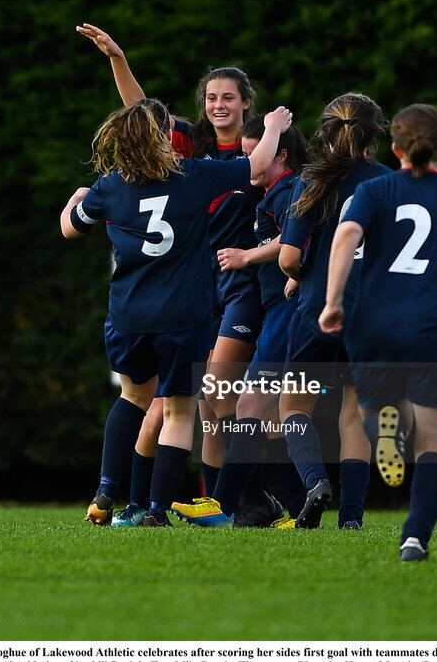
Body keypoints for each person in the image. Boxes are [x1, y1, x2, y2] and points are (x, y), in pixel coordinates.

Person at [61, 100, 292, 527]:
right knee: (180, 413)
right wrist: (275, 126)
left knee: (132, 397)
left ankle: (106, 490)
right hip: (183, 316)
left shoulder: (110, 185)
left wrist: (76, 198)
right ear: (165, 136)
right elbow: (257, 164)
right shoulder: (193, 175)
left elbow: (70, 227)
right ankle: (155, 511)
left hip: (128, 315)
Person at [318, 103, 437, 561]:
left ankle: (389, 426)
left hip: (375, 325)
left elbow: (345, 237)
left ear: (396, 148)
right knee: (434, 441)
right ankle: (414, 538)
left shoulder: (377, 189)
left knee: (379, 412)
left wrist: (332, 301)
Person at [171, 115, 312, 527]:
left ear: (280, 154)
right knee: (265, 413)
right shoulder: (269, 192)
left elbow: (292, 242)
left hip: (285, 312)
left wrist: (249, 256)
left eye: (257, 156)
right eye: (247, 155)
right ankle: (290, 508)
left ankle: (226, 504)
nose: (250, 163)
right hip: (275, 311)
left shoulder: (289, 190)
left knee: (249, 404)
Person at [276, 93, 388, 529]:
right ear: (372, 135)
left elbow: (287, 257)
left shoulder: (311, 179)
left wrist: (303, 274)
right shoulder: (390, 183)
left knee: (293, 408)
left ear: (324, 131)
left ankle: (316, 482)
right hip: (371, 317)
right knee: (355, 414)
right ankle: (352, 518)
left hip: (318, 310)